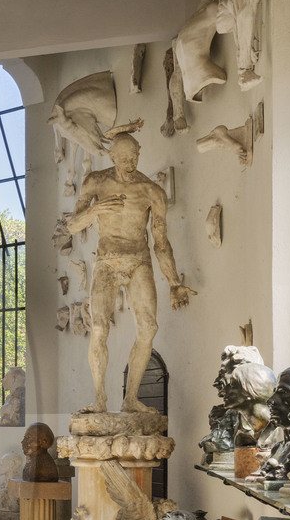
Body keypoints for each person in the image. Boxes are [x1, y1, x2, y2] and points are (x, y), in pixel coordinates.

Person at [64, 131, 195, 414]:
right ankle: (99, 399)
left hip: (138, 261)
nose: (129, 163)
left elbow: (161, 242)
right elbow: (72, 225)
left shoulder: (152, 192)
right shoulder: (96, 181)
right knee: (99, 327)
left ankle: (131, 399)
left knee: (148, 328)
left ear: (139, 154)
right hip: (107, 262)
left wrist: (174, 283)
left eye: (133, 157)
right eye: (123, 158)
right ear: (111, 157)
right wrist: (95, 209)